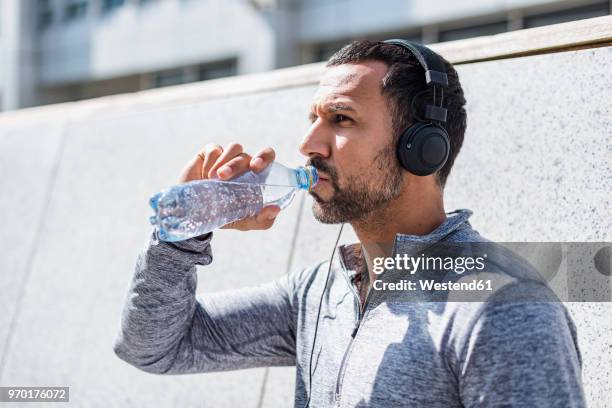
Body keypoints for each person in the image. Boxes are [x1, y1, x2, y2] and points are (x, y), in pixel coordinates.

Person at [113, 40, 585, 407]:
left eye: (341, 119)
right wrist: (182, 235)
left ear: (421, 148)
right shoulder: (319, 293)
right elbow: (153, 347)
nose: (308, 143)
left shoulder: (503, 310)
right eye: (313, 118)